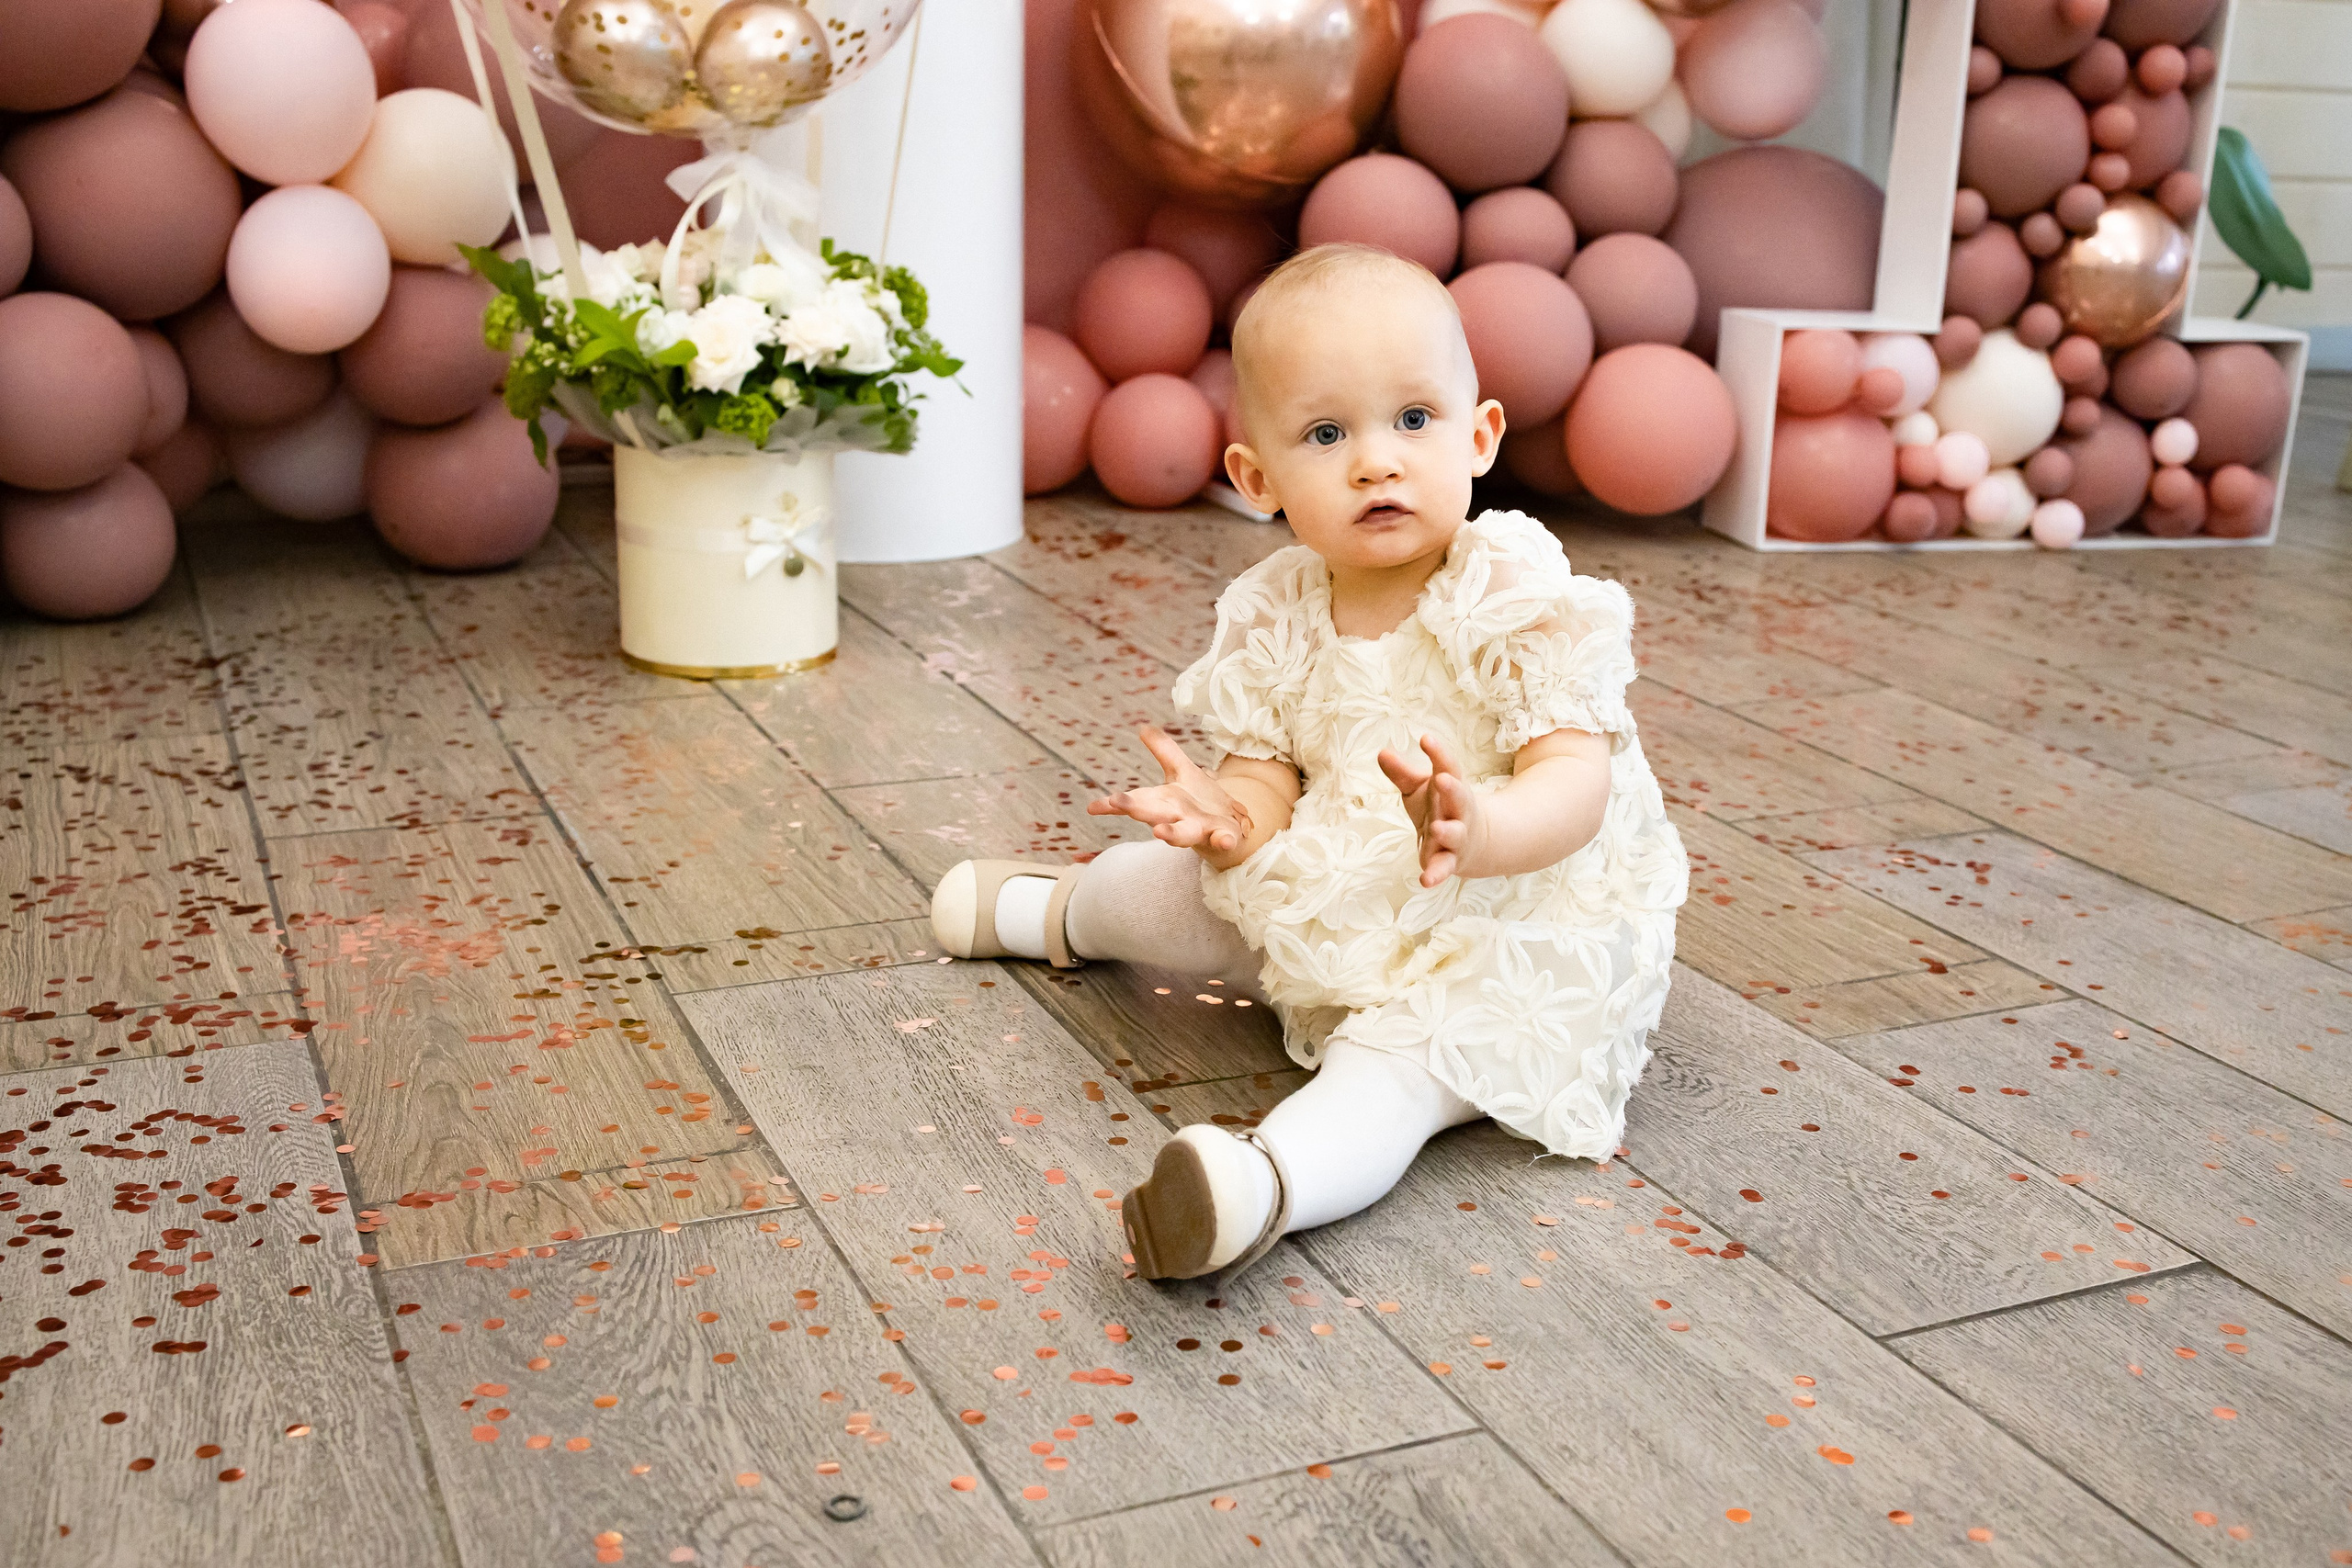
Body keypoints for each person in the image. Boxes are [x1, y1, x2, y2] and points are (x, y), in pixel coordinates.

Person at [932, 243, 1688, 1281]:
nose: (1375, 460)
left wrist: (1486, 827)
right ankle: (1062, 910)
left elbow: (1576, 782)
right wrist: (1234, 818)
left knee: (1398, 1070)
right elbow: (1267, 780)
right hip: (1347, 877)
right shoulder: (1278, 610)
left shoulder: (1511, 591)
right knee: (1187, 890)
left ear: (1478, 437)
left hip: (1503, 917)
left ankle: (1256, 1186)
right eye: (1326, 433)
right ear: (1257, 478)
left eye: (1412, 421)